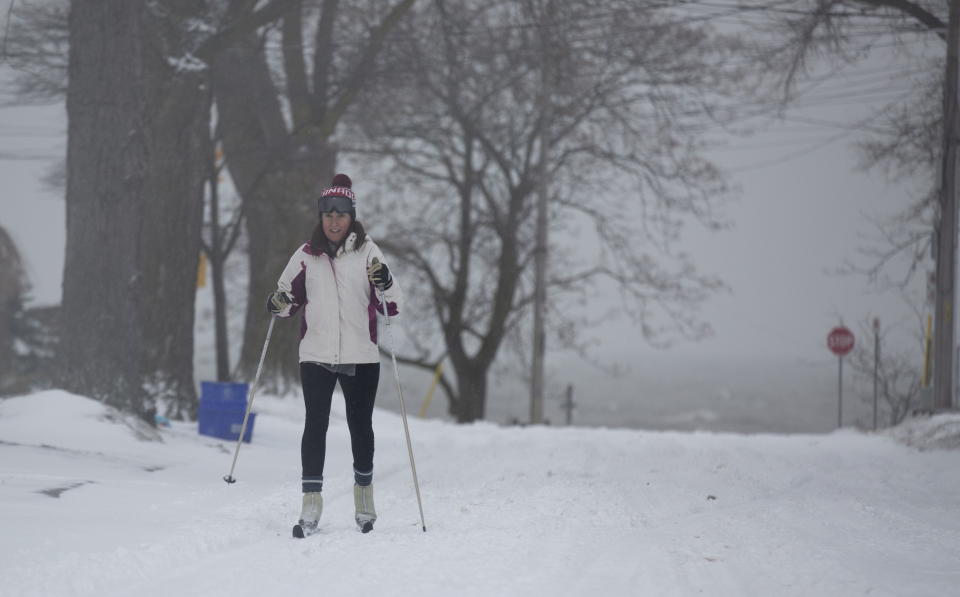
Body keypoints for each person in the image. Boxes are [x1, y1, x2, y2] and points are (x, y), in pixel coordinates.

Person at [267, 173, 402, 537]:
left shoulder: (369, 252)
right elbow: (285, 302)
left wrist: (386, 283)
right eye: (327, 213)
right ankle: (310, 505)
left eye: (341, 214)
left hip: (361, 355)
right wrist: (278, 302)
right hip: (317, 354)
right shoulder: (305, 255)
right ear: (321, 216)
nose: (334, 220)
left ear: (351, 215)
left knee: (361, 427)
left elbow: (392, 307)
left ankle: (364, 500)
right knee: (315, 425)